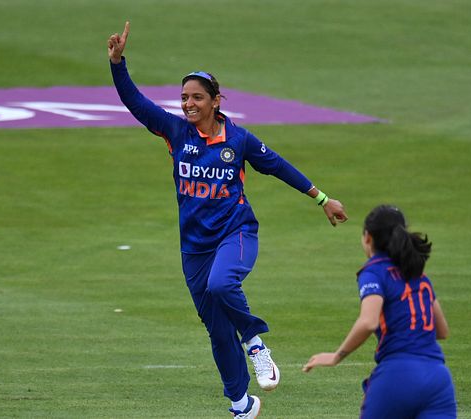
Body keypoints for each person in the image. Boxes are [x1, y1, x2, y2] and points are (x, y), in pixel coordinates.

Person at [107, 21, 349, 418]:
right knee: (218, 331)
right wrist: (118, 63)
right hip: (194, 248)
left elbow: (278, 166)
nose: (188, 104)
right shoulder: (174, 131)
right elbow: (136, 103)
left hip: (236, 233)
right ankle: (242, 405)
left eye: (197, 98)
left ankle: (256, 341)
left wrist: (321, 198)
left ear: (216, 101)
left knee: (223, 285)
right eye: (184, 97)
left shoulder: (239, 140)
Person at [303, 204, 457, 418]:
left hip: (397, 375)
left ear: (368, 237)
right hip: (438, 379)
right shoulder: (418, 273)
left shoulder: (374, 271)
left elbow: (368, 322)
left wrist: (336, 357)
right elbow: (442, 331)